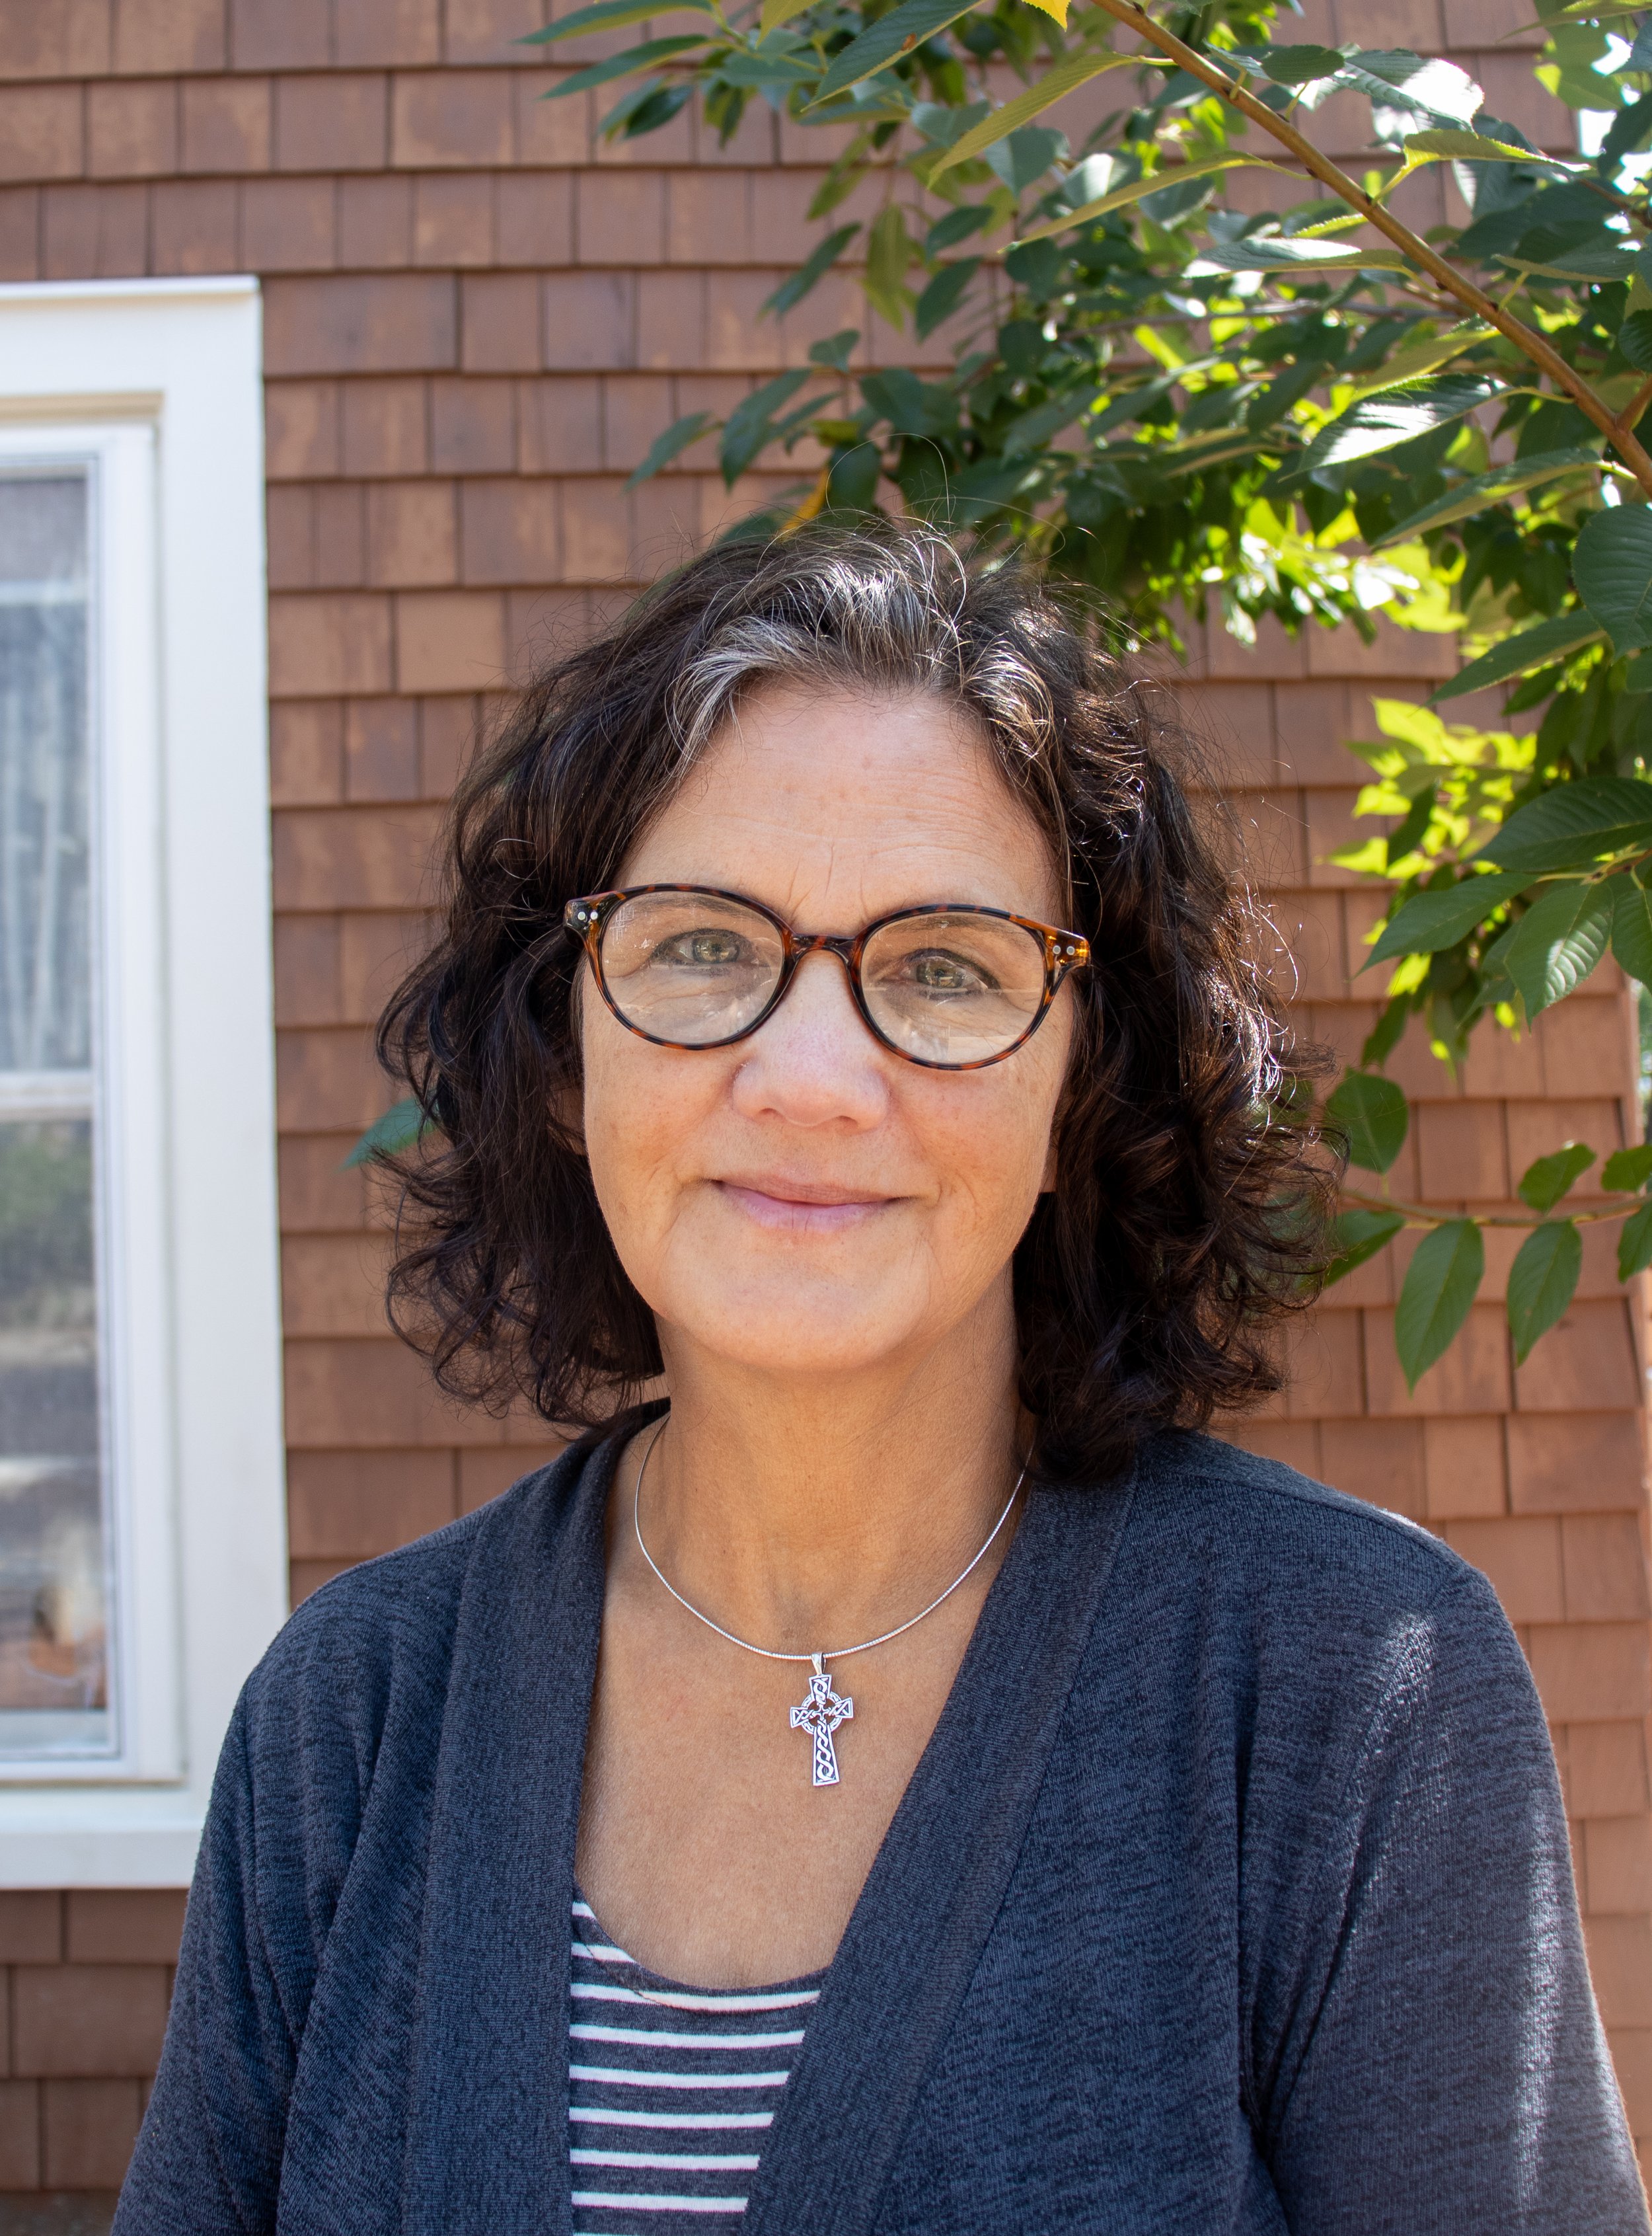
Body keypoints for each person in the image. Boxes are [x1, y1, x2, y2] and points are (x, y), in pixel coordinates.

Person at [116, 528, 1644, 2234]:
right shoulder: (355, 1711)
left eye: (942, 967)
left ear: (1083, 1093)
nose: (812, 1077)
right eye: (701, 946)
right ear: (560, 1058)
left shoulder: (1348, 1682)